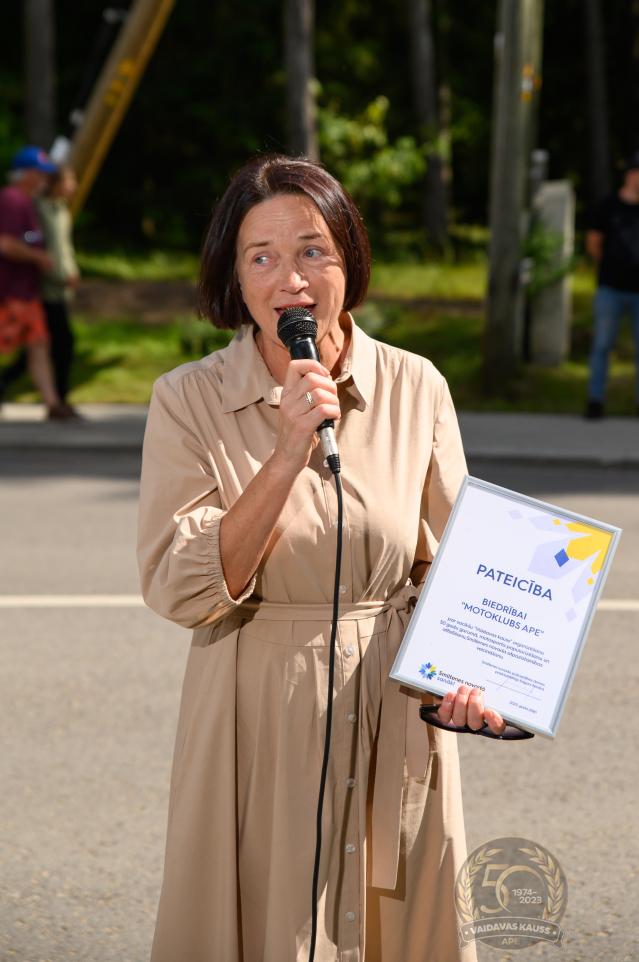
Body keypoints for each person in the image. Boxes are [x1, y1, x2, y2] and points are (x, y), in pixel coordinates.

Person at [137, 154, 505, 962]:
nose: (290, 280)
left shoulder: (416, 385)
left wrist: (478, 678)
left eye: (312, 250)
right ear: (234, 277)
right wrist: (284, 455)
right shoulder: (187, 399)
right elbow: (177, 586)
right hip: (253, 714)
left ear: (350, 261)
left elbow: (459, 569)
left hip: (391, 709)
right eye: (260, 257)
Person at [0, 166, 81, 417]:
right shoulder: (13, 200)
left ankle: (53, 404)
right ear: (27, 173)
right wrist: (39, 258)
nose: (44, 179)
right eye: (40, 173)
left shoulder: (31, 204)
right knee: (32, 344)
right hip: (10, 290)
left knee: (39, 344)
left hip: (28, 291)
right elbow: (6, 244)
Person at [584, 150, 639, 419]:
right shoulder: (608, 206)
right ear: (629, 174)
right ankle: (595, 400)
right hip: (611, 287)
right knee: (603, 344)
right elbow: (593, 243)